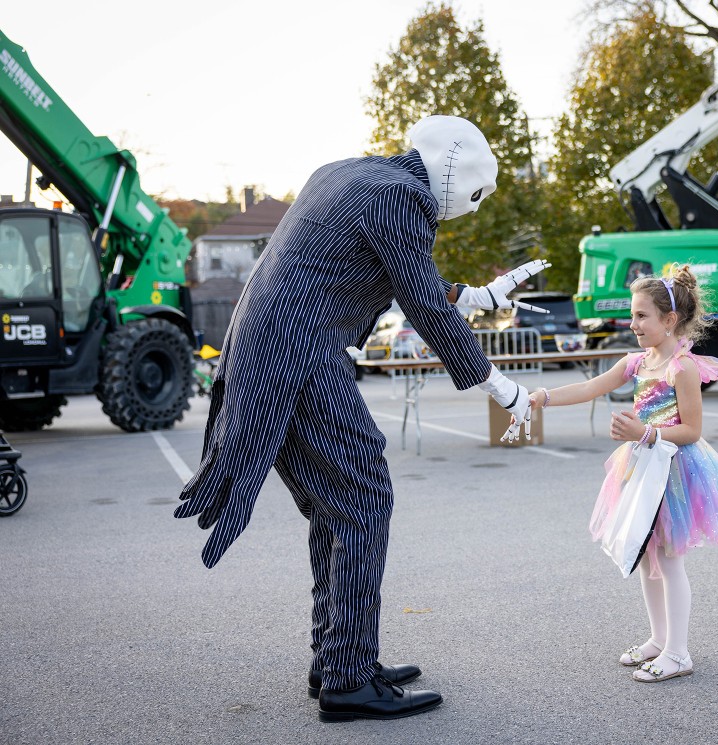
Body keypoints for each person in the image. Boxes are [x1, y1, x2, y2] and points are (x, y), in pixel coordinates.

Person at [174, 115, 544, 723]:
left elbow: (396, 273)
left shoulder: (352, 175)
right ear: (456, 174)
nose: (472, 211)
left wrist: (474, 295)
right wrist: (500, 386)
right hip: (296, 345)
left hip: (267, 340)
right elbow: (419, 299)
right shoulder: (404, 196)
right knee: (361, 494)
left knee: (336, 502)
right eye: (476, 196)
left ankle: (341, 657)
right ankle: (348, 678)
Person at [527, 265, 718, 683]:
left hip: (673, 470)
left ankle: (679, 652)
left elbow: (692, 431)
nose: (633, 324)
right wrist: (542, 397)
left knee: (668, 559)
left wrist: (644, 431)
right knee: (647, 558)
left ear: (669, 320)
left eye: (642, 316)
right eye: (632, 315)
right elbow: (590, 387)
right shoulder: (636, 362)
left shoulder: (681, 368)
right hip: (641, 468)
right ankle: (658, 638)